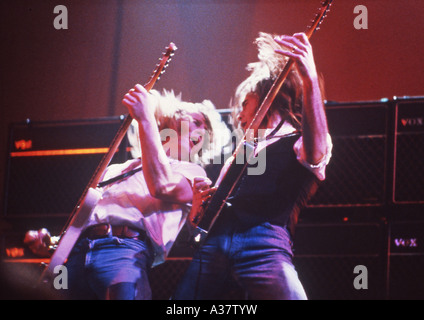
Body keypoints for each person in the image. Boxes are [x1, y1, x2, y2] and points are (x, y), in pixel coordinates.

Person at [24, 86, 228, 300]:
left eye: (206, 129)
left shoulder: (191, 172)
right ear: (170, 119)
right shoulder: (114, 169)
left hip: (125, 251)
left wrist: (145, 117)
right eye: (196, 121)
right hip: (76, 255)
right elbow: (88, 219)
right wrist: (54, 244)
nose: (202, 130)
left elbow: (161, 185)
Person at [172, 32, 333, 300]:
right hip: (215, 241)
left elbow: (316, 154)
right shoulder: (242, 151)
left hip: (263, 240)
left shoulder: (300, 139)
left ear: (267, 95)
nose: (240, 115)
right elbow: (201, 224)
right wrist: (198, 213)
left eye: (245, 104)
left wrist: (310, 80)